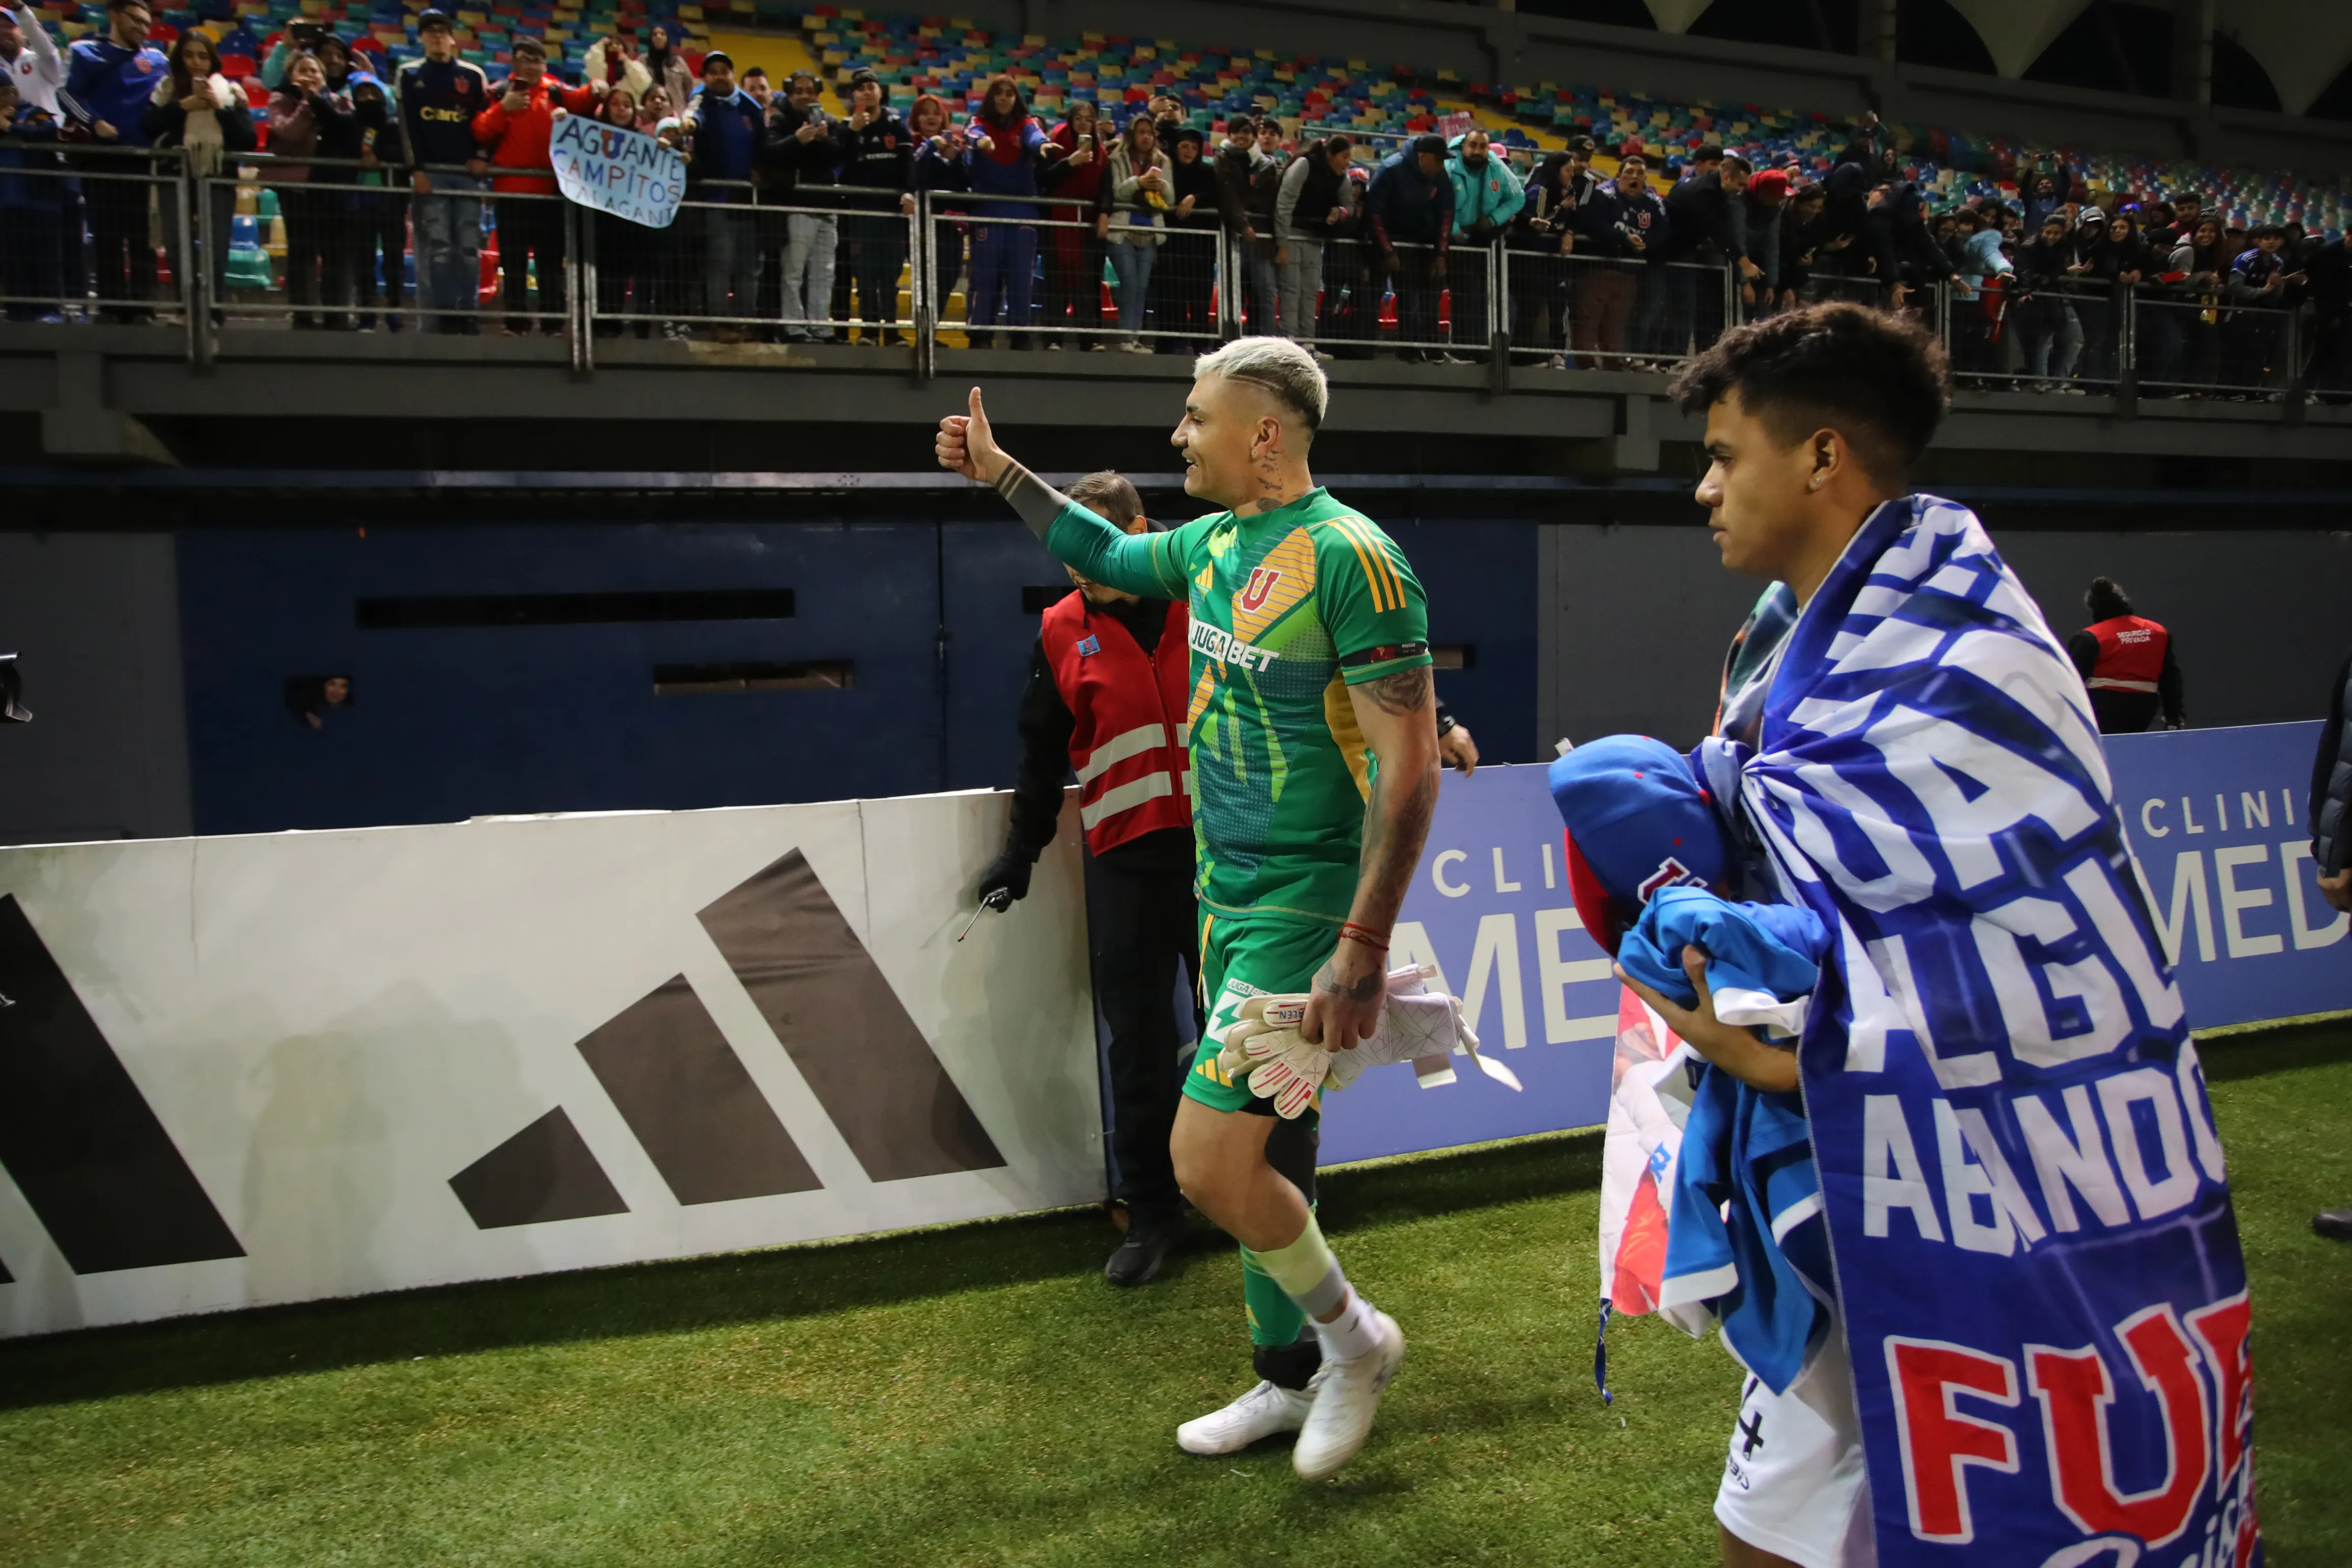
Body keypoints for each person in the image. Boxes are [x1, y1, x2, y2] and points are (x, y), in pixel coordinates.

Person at [1658, 301, 2255, 1567]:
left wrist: (1789, 1064)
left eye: (1721, 455)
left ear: (1819, 456)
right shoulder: (1797, 634)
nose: (1702, 488)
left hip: (1970, 1179)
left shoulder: (1963, 653)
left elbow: (2020, 961)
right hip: (1856, 1161)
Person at [936, 336, 1437, 1480]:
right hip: (1221, 894)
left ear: (1263, 435)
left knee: (1208, 1162)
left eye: (1196, 415)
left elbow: (1411, 767)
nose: (1178, 434)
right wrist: (1001, 472)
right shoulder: (1212, 543)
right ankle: (1286, 1374)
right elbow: (1103, 547)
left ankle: (1356, 1342)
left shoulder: (1355, 558)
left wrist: (1361, 940)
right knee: (1266, 1152)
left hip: (1303, 908)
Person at [979, 469, 1206, 1287]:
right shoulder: (1058, 631)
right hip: (1127, 868)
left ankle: (1268, 1195)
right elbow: (1042, 757)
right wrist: (1019, 854)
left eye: (1096, 547)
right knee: (1138, 1048)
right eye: (1068, 553)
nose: (1080, 567)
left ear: (1140, 531)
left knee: (1247, 1038)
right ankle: (1152, 1213)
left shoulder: (1208, 595)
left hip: (1226, 861)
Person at [471, 37, 594, 335]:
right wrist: (503, 109)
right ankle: (516, 323)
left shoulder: (556, 91)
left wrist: (597, 87)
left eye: (537, 60)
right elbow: (481, 131)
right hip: (510, 192)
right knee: (513, 261)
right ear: (514, 63)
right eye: (524, 59)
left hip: (551, 193)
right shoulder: (500, 92)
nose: (531, 66)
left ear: (545, 65)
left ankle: (553, 323)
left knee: (550, 262)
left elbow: (585, 100)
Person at [65, 0, 169, 322]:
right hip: (103, 160)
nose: (143, 28)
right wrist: (94, 122)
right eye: (136, 20)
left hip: (145, 162)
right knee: (107, 236)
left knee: (143, 238)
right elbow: (67, 95)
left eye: (147, 23)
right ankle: (110, 308)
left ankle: (142, 308)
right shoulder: (85, 52)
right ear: (114, 16)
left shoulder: (158, 60)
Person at [141, 29, 252, 312]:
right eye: (189, 55)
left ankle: (213, 310)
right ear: (180, 58)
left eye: (203, 56)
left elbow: (247, 139)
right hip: (174, 175)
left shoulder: (230, 92)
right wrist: (183, 107)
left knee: (216, 246)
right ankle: (185, 308)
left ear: (212, 61)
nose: (196, 62)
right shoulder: (166, 89)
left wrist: (220, 109)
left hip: (217, 176)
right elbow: (149, 126)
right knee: (177, 245)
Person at [396, 9, 492, 334]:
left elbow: (485, 121)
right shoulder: (409, 74)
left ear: (452, 37)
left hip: (466, 174)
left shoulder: (473, 75)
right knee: (438, 248)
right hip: (431, 173)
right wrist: (417, 170)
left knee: (468, 248)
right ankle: (442, 316)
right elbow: (407, 127)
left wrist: (482, 157)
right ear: (422, 37)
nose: (437, 36)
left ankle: (468, 314)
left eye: (442, 31)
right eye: (430, 31)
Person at [268, 52, 359, 328]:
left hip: (333, 186)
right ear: (291, 76)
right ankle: (303, 315)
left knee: (337, 253)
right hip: (298, 188)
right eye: (303, 70)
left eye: (315, 71)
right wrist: (309, 102)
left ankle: (336, 315)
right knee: (302, 249)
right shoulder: (281, 101)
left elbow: (349, 137)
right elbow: (289, 133)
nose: (310, 76)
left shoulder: (340, 102)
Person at [682, 50, 764, 341]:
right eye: (712, 72)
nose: (719, 77)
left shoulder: (751, 107)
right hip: (716, 197)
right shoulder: (701, 98)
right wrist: (688, 124)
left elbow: (763, 144)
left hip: (748, 201)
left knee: (749, 266)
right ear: (705, 77)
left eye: (724, 71)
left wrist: (759, 169)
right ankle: (720, 322)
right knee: (720, 262)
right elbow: (693, 116)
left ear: (733, 74)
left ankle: (746, 322)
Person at [961, 74, 1044, 345]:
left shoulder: (1026, 123)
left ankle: (1019, 335)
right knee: (985, 277)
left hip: (1023, 215)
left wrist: (1043, 145)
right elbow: (971, 135)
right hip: (987, 212)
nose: (1004, 98)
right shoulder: (978, 122)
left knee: (1021, 279)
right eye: (1000, 93)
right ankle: (979, 334)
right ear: (992, 97)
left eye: (1010, 93)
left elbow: (1035, 136)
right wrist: (981, 142)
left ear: (1016, 98)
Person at [764, 69, 842, 344]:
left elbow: (840, 154)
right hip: (797, 205)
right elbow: (770, 152)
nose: (805, 96)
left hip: (826, 206)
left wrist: (823, 140)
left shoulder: (828, 121)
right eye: (799, 91)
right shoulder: (780, 119)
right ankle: (793, 326)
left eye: (810, 91)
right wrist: (798, 140)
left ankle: (820, 327)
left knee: (824, 273)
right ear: (789, 93)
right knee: (793, 270)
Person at [834, 68, 910, 346]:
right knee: (865, 276)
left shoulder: (896, 125)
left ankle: (891, 333)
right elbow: (838, 163)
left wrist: (909, 193)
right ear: (854, 95)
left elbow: (908, 164)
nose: (867, 92)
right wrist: (852, 132)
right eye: (861, 88)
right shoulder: (846, 127)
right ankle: (868, 332)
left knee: (889, 277)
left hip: (892, 215)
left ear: (880, 91)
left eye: (871, 86)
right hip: (861, 214)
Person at [1364, 133, 1455, 363]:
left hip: (1426, 243)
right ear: (1423, 156)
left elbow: (1446, 214)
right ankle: (1407, 348)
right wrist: (1388, 250)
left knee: (1431, 295)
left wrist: (1441, 254)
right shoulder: (1391, 170)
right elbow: (1374, 214)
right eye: (1438, 160)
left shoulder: (1440, 176)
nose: (1441, 166)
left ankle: (1433, 346)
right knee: (1407, 295)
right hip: (1396, 240)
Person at [2064, 576, 2183, 734]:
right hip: (2145, 707)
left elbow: (2070, 682)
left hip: (2103, 707)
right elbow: (2170, 678)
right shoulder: (2158, 632)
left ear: (2094, 608)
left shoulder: (2090, 638)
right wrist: (2173, 715)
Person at [1273, 132, 1355, 357]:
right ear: (1331, 155)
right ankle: (1288, 344)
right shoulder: (1304, 165)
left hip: (1315, 239)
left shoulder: (1342, 178)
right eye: (1344, 157)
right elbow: (1285, 203)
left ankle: (1308, 343)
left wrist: (1340, 212)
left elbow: (1349, 207)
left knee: (1310, 291)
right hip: (1292, 234)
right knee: (1291, 289)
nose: (1348, 162)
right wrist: (1282, 243)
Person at [1444, 128, 1522, 362]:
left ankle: (1483, 351)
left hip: (1483, 237)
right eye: (1473, 145)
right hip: (1455, 239)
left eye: (1483, 147)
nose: (1477, 151)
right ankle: (1461, 349)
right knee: (1464, 297)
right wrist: (1455, 230)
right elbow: (1440, 202)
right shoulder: (1449, 166)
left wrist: (1494, 220)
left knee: (1486, 297)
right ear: (1463, 147)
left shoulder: (1496, 166)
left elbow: (1518, 197)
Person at [1037, 97, 1107, 349]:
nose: (1083, 124)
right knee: (1056, 281)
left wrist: (1104, 213)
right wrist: (1070, 163)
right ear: (1070, 121)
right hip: (1057, 224)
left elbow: (1106, 188)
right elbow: (1045, 179)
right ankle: (1052, 338)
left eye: (1088, 120)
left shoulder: (1101, 152)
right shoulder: (1054, 145)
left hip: (1087, 227)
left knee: (1087, 283)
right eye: (1078, 119)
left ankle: (1089, 339)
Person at [1102, 112, 1171, 353]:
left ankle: (1135, 337)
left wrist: (1161, 186)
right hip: (1122, 230)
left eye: (1149, 133)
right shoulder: (1116, 159)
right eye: (1141, 132)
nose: (1146, 137)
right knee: (1129, 281)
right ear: (1132, 135)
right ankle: (1125, 337)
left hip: (1150, 231)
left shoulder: (1163, 161)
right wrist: (1138, 183)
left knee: (1141, 286)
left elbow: (1170, 199)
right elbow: (1117, 193)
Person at [1509, 147, 1582, 368]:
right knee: (1528, 310)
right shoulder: (1539, 191)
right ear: (1556, 170)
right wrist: (1561, 208)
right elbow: (1539, 224)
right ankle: (1519, 357)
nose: (1572, 175)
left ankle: (1541, 354)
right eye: (1568, 171)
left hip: (1546, 263)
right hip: (1527, 261)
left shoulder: (1566, 193)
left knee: (1542, 310)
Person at [0, 75, 66, 319]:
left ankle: (49, 311)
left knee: (45, 258)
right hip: (7, 205)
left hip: (41, 202)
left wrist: (9, 127)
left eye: (6, 92)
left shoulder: (35, 113)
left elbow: (48, 132)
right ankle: (18, 312)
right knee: (14, 261)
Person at [586, 85, 649, 334]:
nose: (621, 109)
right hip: (596, 218)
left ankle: (614, 321)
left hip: (627, 220)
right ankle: (593, 322)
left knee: (620, 272)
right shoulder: (590, 137)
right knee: (597, 269)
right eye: (615, 104)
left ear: (634, 111)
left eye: (627, 105)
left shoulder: (644, 142)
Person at [1161, 123, 1218, 350]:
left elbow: (1216, 196)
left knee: (1200, 298)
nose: (1189, 152)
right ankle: (1172, 345)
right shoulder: (1167, 171)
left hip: (1200, 248)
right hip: (1172, 246)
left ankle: (1200, 347)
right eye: (1184, 146)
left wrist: (1195, 198)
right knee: (1173, 296)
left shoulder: (1207, 172)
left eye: (1194, 148)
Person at [2, 4, 66, 117]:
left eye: (9, 26)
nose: (3, 32)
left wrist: (19, 8)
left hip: (50, 126)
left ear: (23, 32)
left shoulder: (42, 61)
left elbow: (47, 49)